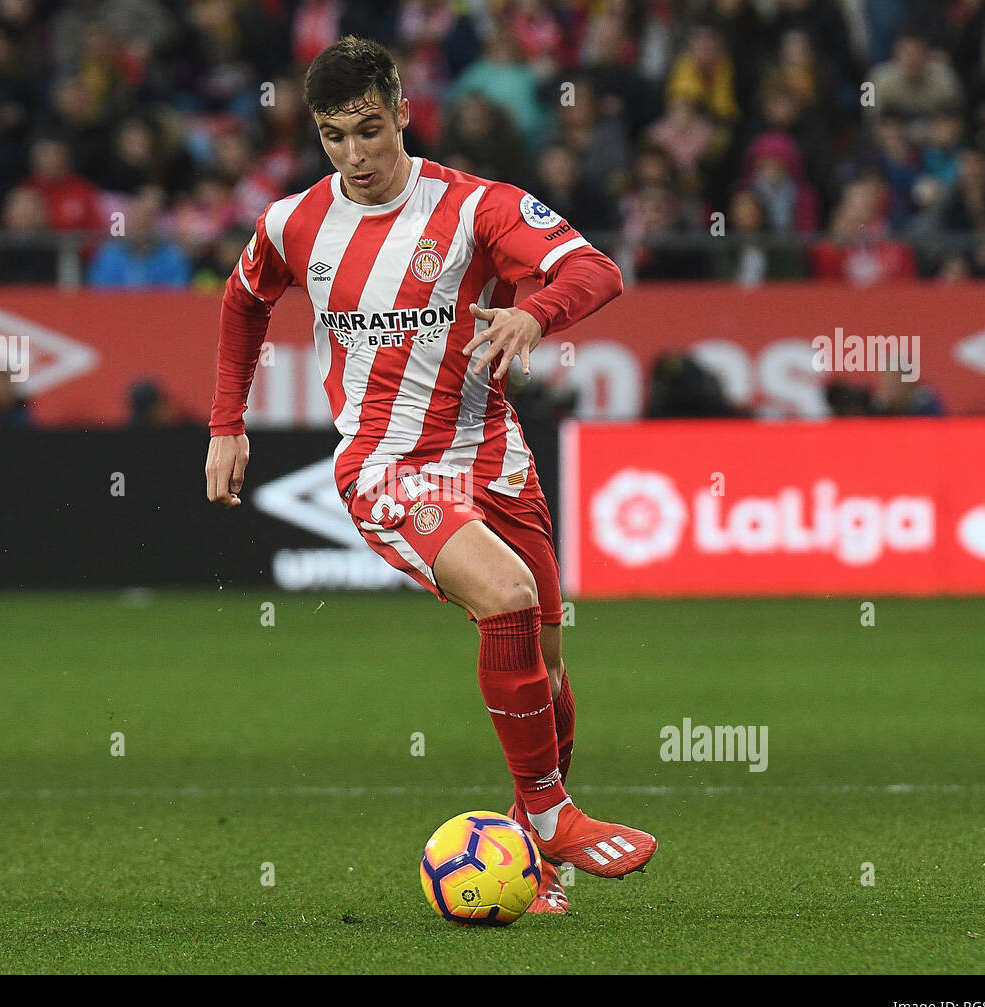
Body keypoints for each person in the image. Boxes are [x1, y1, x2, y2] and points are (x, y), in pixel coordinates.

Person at [206, 36, 657, 916]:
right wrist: (228, 423)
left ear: (403, 111)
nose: (354, 155)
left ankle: (536, 863)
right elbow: (242, 300)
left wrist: (533, 314)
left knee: (551, 667)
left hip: (494, 455)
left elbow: (593, 270)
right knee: (509, 595)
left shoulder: (474, 207)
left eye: (369, 130)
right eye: (334, 137)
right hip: (387, 464)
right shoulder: (294, 222)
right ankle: (551, 815)